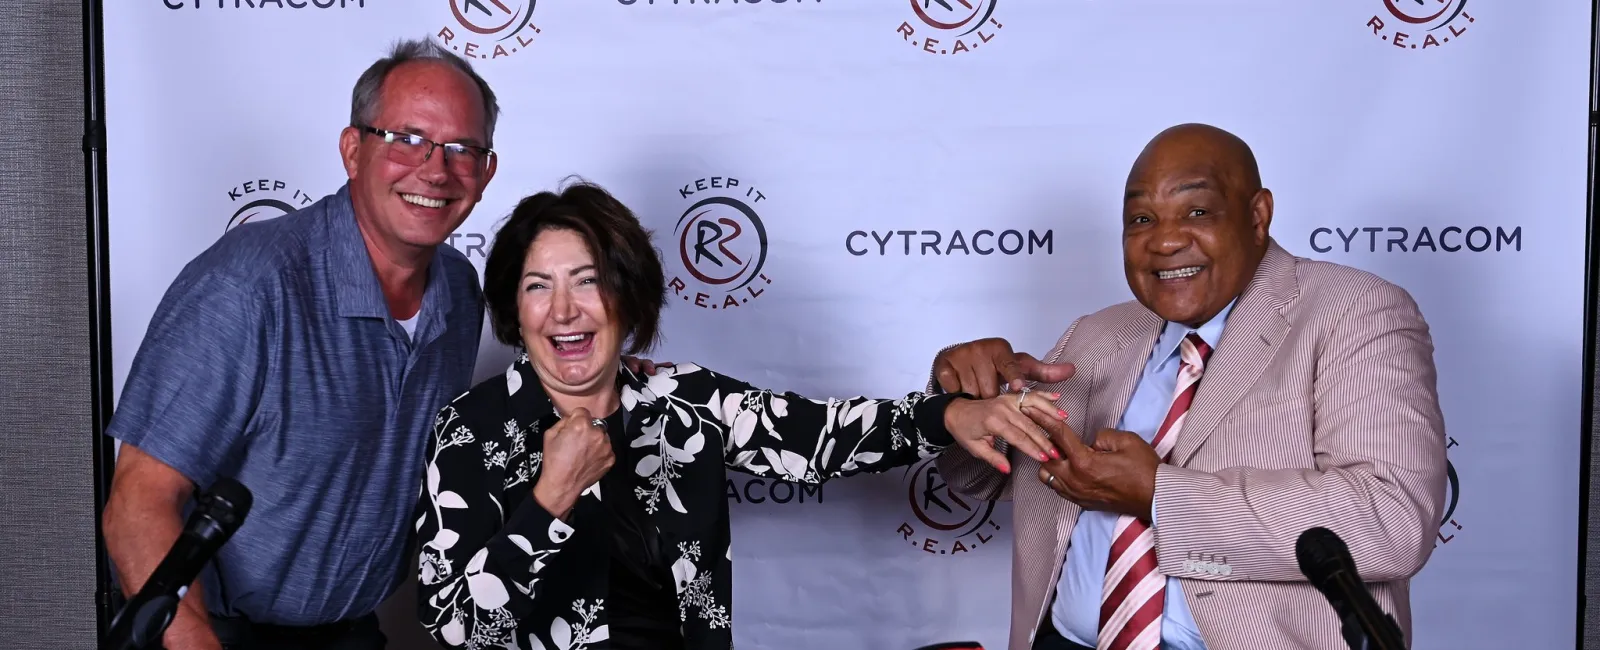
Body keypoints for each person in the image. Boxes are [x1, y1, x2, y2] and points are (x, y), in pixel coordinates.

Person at [411, 180, 1067, 650]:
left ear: (626, 295)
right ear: (514, 309)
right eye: (538, 286)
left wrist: (944, 416)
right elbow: (455, 626)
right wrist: (550, 499)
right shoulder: (470, 429)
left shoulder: (683, 402)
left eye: (586, 280)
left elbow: (819, 438)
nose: (563, 310)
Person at [929, 124, 1449, 650]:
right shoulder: (1097, 334)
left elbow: (1393, 520)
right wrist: (966, 404)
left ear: (1257, 216)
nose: (1165, 240)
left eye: (1197, 211)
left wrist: (1159, 495)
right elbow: (978, 481)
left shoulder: (1355, 311)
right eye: (1141, 219)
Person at [101, 39, 502, 650]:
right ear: (352, 150)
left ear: (486, 171)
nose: (435, 169)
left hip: (351, 633)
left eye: (461, 149)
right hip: (215, 634)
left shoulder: (460, 289)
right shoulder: (248, 285)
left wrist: (612, 374)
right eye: (407, 138)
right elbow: (137, 501)